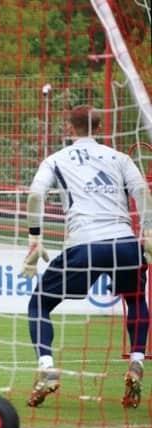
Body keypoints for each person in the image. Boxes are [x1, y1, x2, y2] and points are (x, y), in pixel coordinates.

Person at [21, 105, 150, 408]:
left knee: (39, 303)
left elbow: (35, 194)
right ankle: (137, 362)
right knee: (134, 300)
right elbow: (143, 191)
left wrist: (35, 237)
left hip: (85, 244)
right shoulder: (120, 158)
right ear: (100, 127)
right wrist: (149, 233)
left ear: (69, 128)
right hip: (125, 243)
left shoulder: (55, 159)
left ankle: (47, 368)